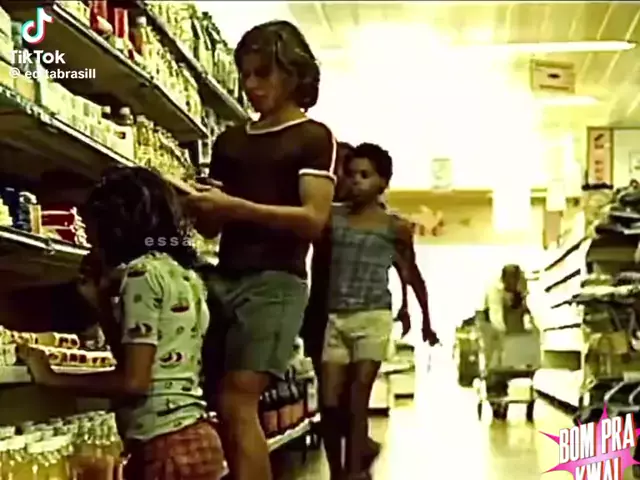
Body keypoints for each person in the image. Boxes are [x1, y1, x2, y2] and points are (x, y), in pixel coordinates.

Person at [185, 21, 335, 480]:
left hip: (277, 282)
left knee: (237, 399)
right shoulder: (230, 140)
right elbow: (211, 227)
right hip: (224, 277)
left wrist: (236, 207)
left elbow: (313, 220)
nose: (251, 85)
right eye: (245, 74)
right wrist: (200, 204)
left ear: (293, 73)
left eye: (263, 73)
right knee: (221, 400)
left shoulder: (313, 137)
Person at [17, 167, 225, 479]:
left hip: (165, 447)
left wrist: (52, 377)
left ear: (114, 226)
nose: (91, 243)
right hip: (197, 438)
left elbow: (134, 383)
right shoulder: (185, 276)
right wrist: (101, 305)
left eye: (93, 230)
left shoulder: (140, 276)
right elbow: (146, 360)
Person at [310, 143, 438, 480]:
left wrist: (425, 319)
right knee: (329, 403)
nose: (356, 181)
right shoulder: (332, 218)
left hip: (374, 318)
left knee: (357, 399)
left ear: (383, 182)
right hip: (335, 318)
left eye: (365, 175)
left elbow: (410, 273)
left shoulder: (394, 227)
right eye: (351, 174)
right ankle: (338, 470)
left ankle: (352, 472)